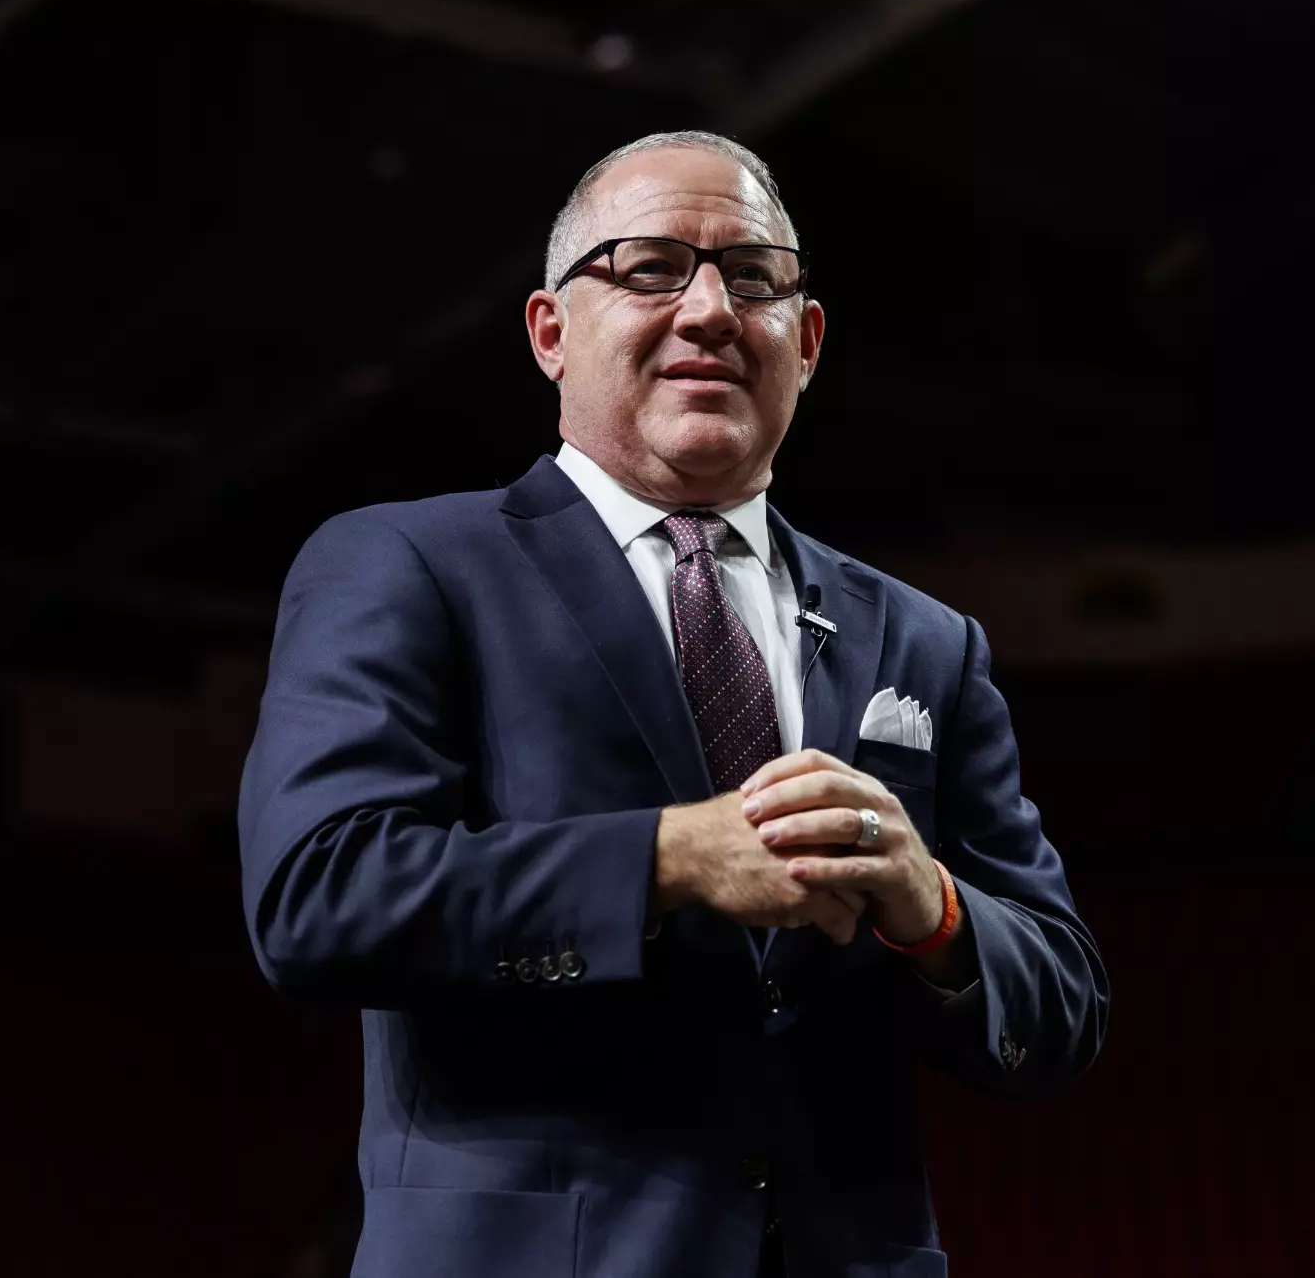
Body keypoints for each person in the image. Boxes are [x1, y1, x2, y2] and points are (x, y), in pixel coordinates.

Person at [238, 130, 1108, 1278]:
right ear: (551, 333)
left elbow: (1059, 1009)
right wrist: (662, 858)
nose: (707, 309)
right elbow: (316, 898)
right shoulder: (405, 564)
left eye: (752, 278)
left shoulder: (926, 642)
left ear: (803, 343)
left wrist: (930, 906)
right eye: (648, 267)